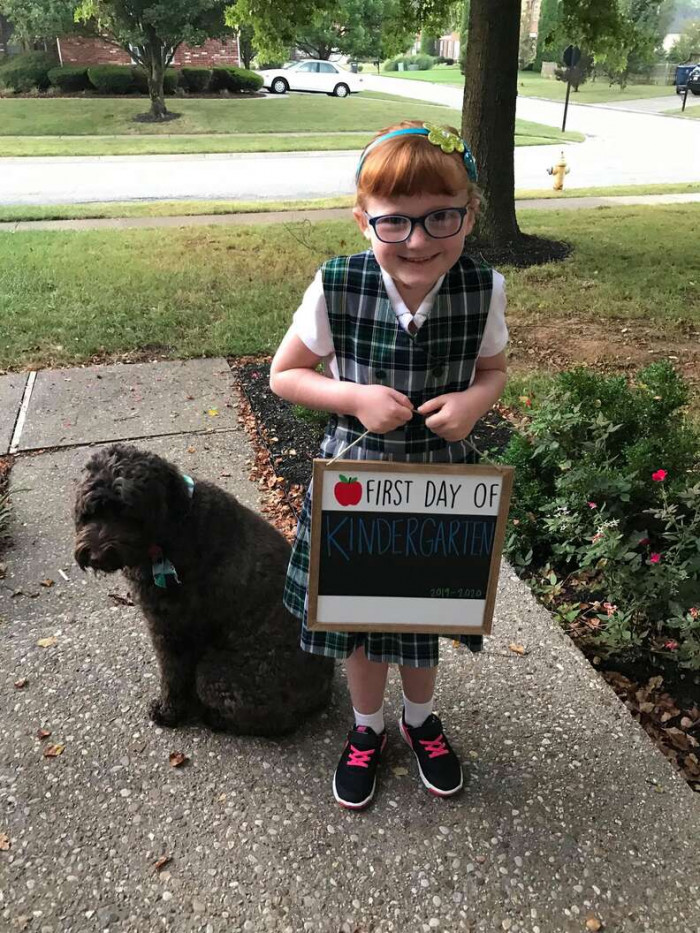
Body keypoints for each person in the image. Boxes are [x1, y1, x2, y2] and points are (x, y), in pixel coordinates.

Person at [269, 120, 508, 810]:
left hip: (441, 484)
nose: (419, 240)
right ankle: (367, 726)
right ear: (361, 218)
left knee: (419, 614)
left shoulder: (483, 288)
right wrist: (350, 396)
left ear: (469, 210)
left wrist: (474, 402)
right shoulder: (337, 283)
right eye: (394, 222)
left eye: (442, 217)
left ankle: (420, 718)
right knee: (359, 620)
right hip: (354, 482)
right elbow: (286, 373)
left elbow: (493, 370)